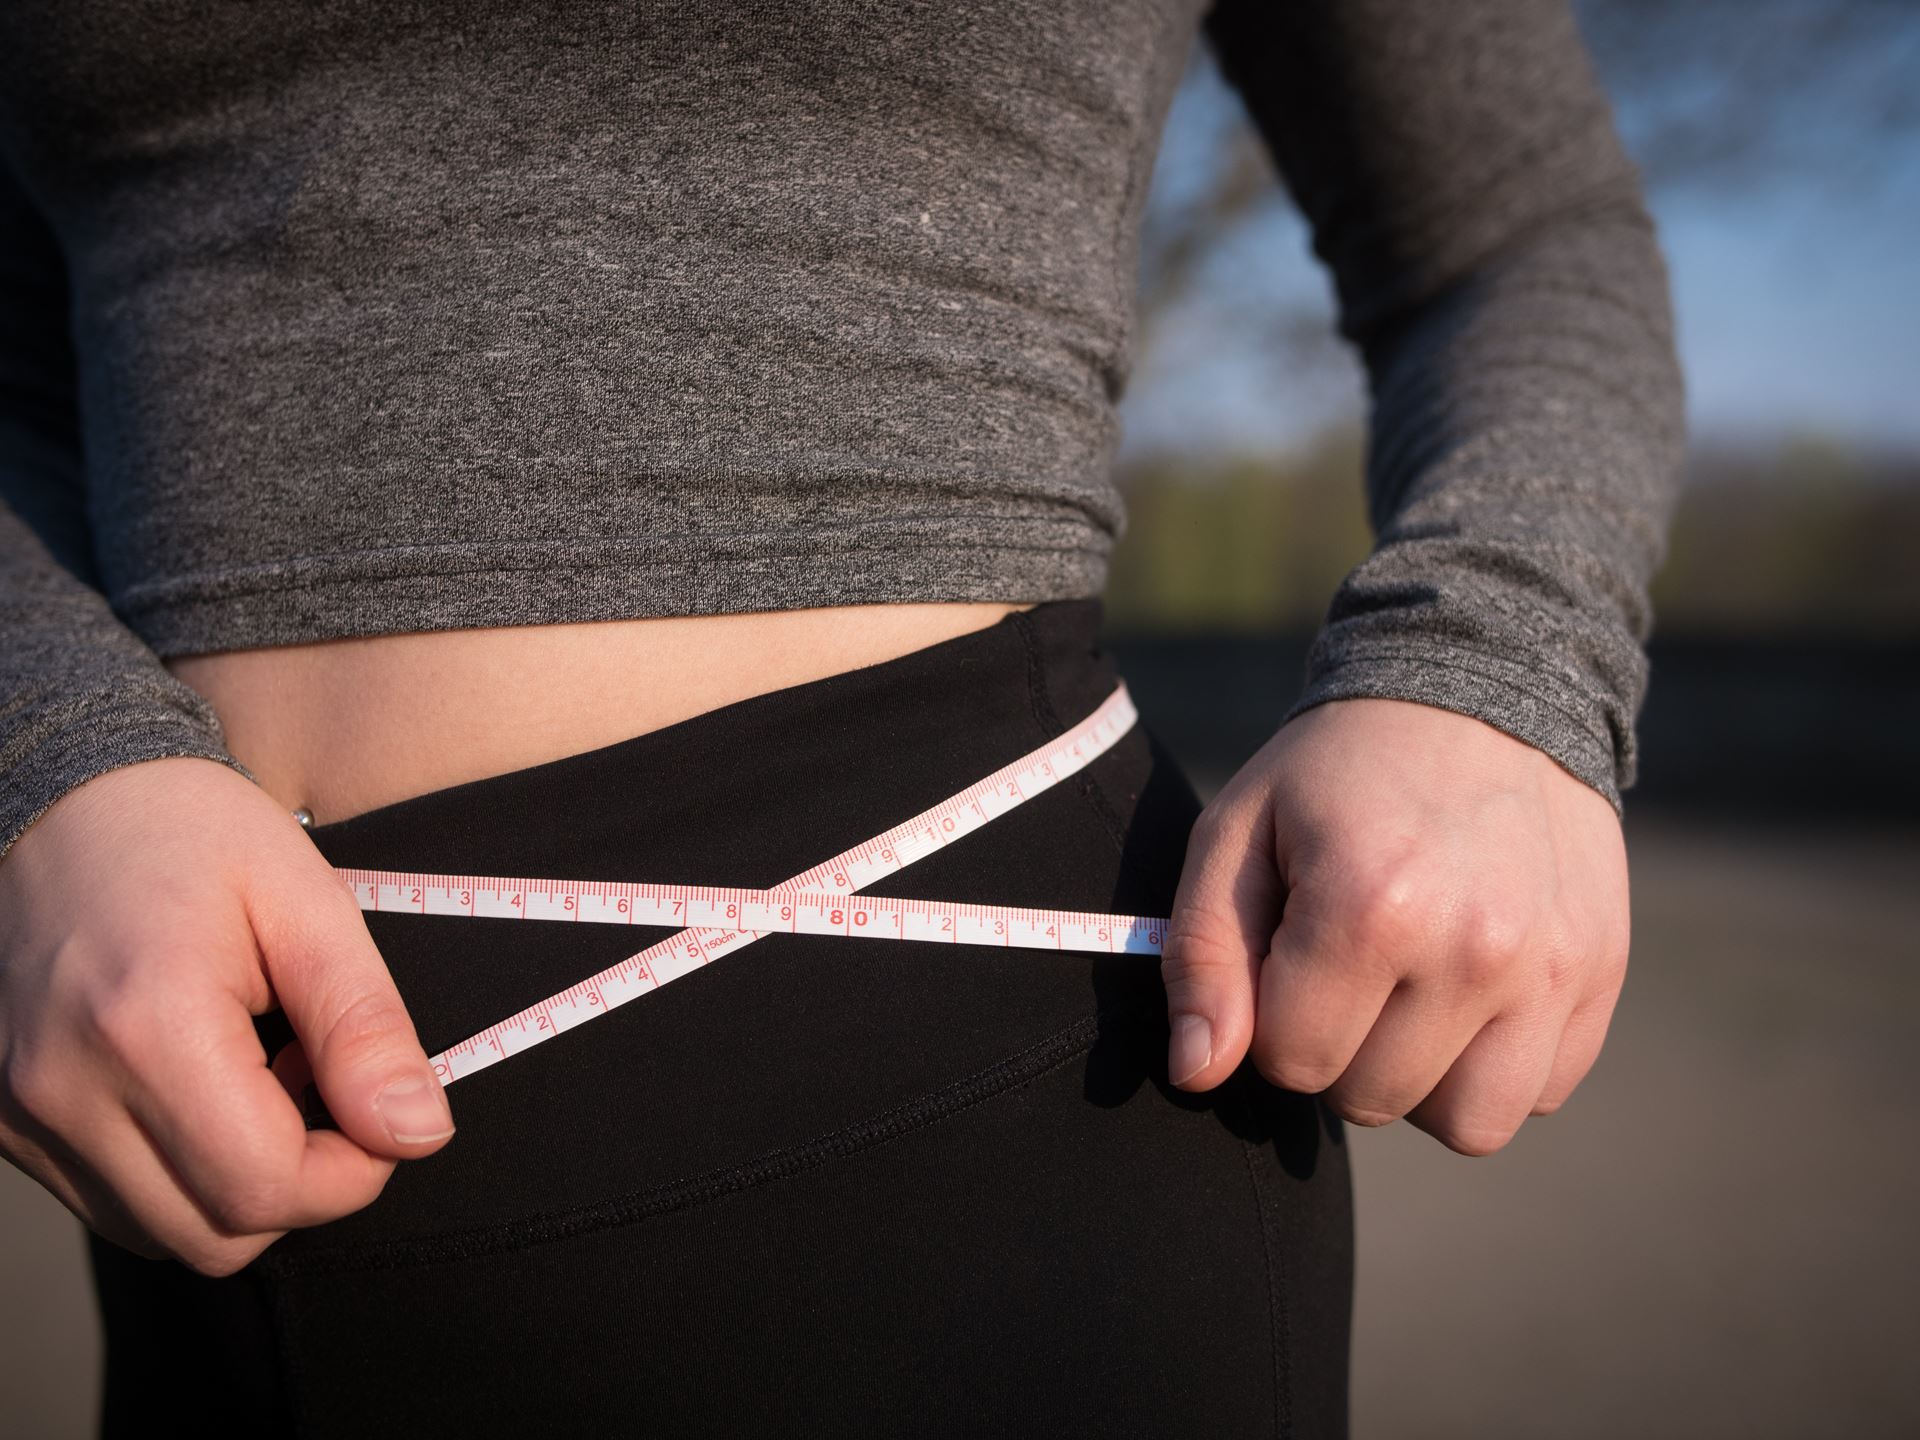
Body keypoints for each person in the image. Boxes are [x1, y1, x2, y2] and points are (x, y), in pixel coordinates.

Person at [0, 1, 1683, 1435]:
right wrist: (39, 753)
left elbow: (1519, 229)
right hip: (167, 1109)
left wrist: (1495, 668)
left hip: (988, 1111)